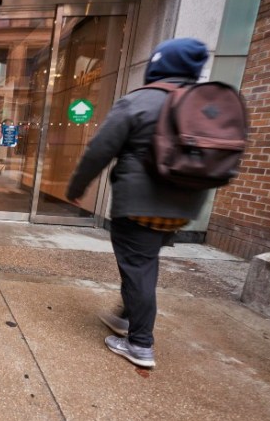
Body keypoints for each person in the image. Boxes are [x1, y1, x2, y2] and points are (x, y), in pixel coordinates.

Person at [66, 38, 212, 369]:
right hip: (184, 206)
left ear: (157, 67)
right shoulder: (202, 103)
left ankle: (140, 343)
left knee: (138, 268)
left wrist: (77, 186)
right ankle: (125, 317)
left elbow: (100, 150)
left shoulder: (140, 101)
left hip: (140, 205)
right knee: (143, 263)